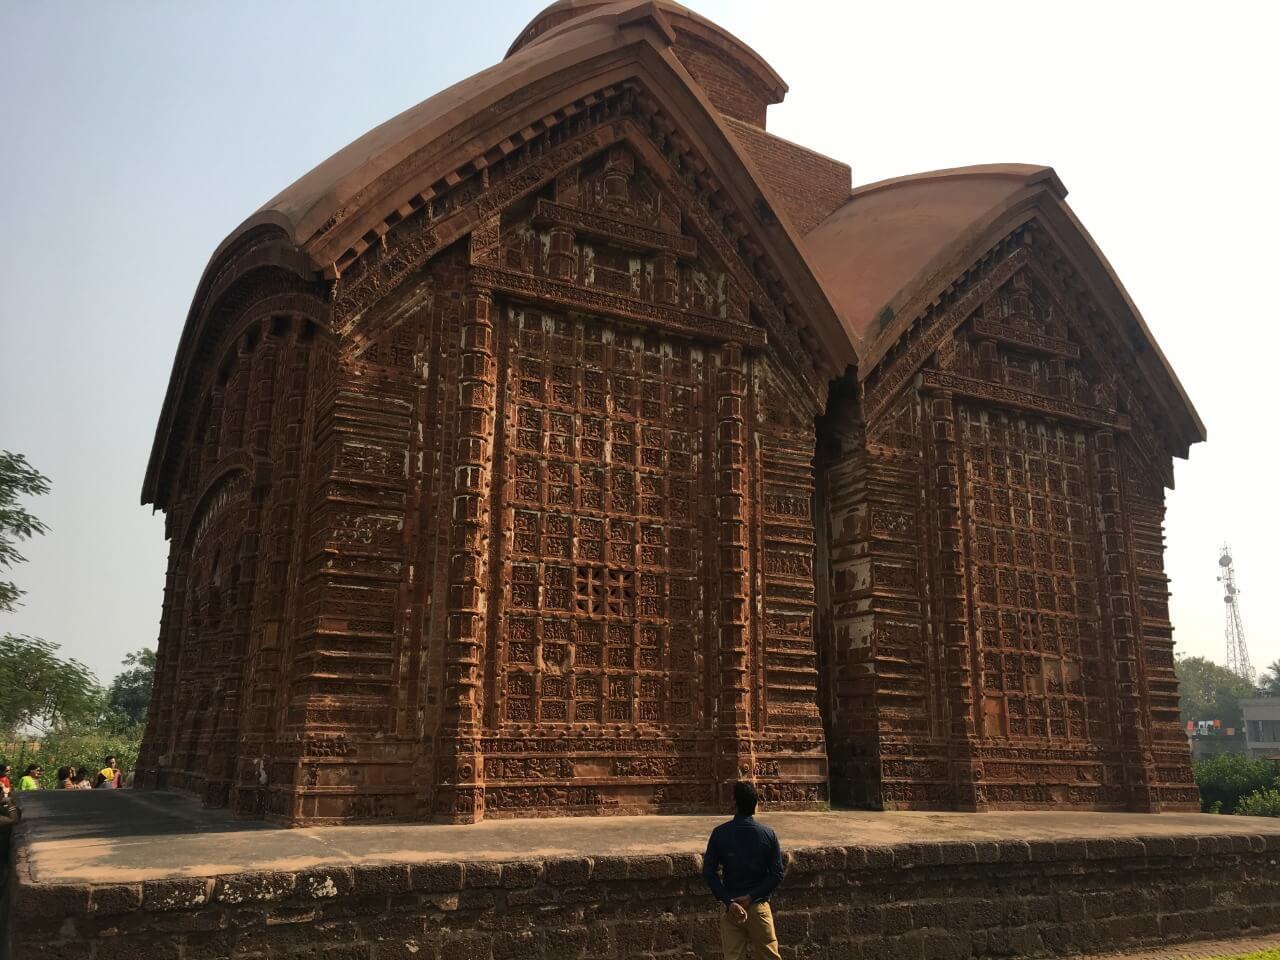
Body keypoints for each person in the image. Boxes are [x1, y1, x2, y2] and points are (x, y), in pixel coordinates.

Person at [702, 781, 784, 960]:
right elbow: (777, 874)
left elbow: (709, 872)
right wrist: (751, 897)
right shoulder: (768, 834)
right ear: (755, 805)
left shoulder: (720, 833)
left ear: (735, 803)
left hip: (731, 908)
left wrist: (729, 902)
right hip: (758, 906)